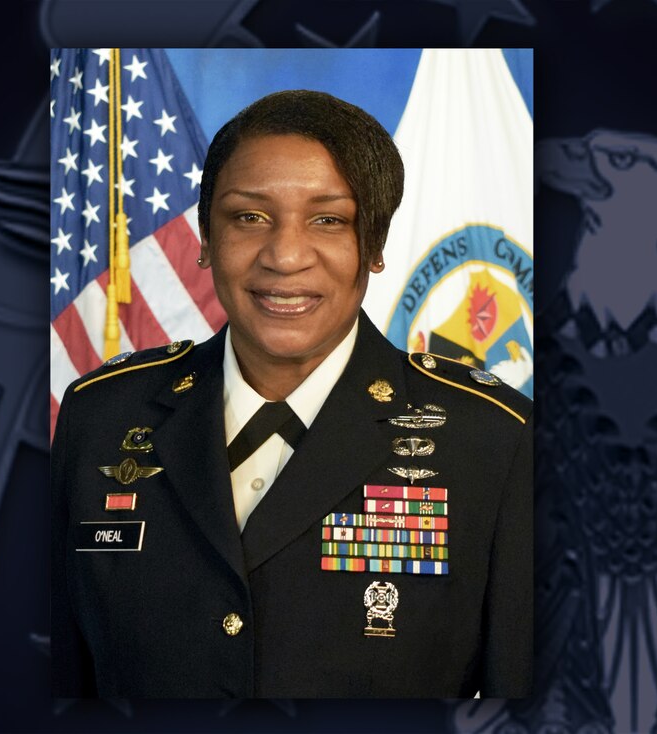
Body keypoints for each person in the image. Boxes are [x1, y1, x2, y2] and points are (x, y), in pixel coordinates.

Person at [51, 90, 532, 698]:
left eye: (328, 220)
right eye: (249, 217)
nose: (284, 256)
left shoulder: (491, 439)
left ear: (375, 245)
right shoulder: (100, 416)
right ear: (204, 236)